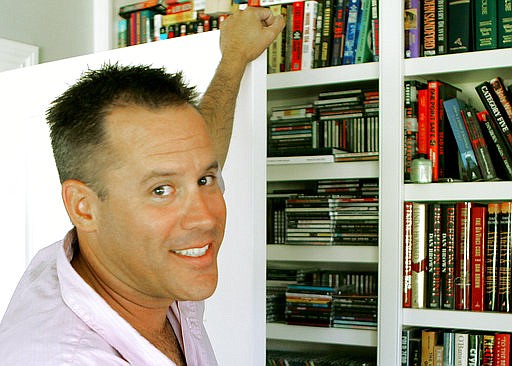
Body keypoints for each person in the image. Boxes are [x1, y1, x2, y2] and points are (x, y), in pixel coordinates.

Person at [0, 7, 284, 366]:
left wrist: (234, 58)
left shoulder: (136, 262)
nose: (203, 218)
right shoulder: (65, 357)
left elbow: (192, 152)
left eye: (204, 180)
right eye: (161, 191)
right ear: (83, 206)